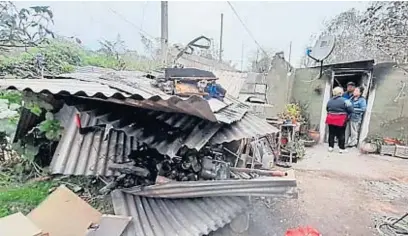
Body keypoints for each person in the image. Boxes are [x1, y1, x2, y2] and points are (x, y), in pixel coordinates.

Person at [326, 86, 354, 153]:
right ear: (341, 93)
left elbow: (327, 109)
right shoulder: (346, 100)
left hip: (331, 118)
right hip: (341, 119)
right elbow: (351, 109)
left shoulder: (330, 101)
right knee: (341, 134)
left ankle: (330, 147)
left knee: (331, 133)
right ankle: (341, 148)